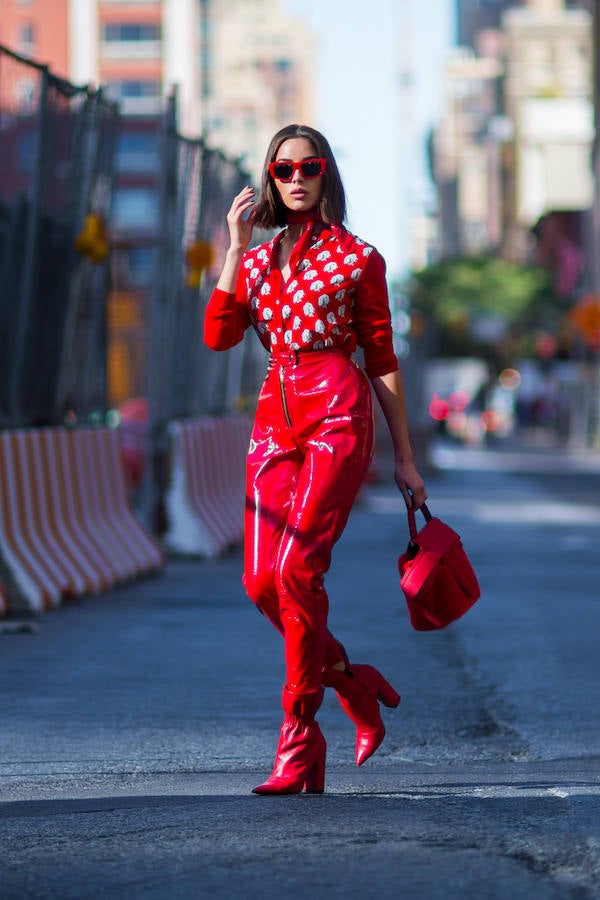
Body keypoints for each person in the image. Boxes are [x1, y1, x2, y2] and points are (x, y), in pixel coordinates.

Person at [204, 124, 426, 795]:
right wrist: (236, 248)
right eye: (281, 168)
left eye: (309, 166)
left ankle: (299, 738)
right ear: (269, 178)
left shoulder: (361, 259)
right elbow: (219, 335)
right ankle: (354, 684)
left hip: (337, 413)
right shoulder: (259, 259)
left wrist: (406, 459)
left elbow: (382, 361)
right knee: (260, 582)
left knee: (299, 569)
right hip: (274, 419)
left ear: (327, 174)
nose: (295, 178)